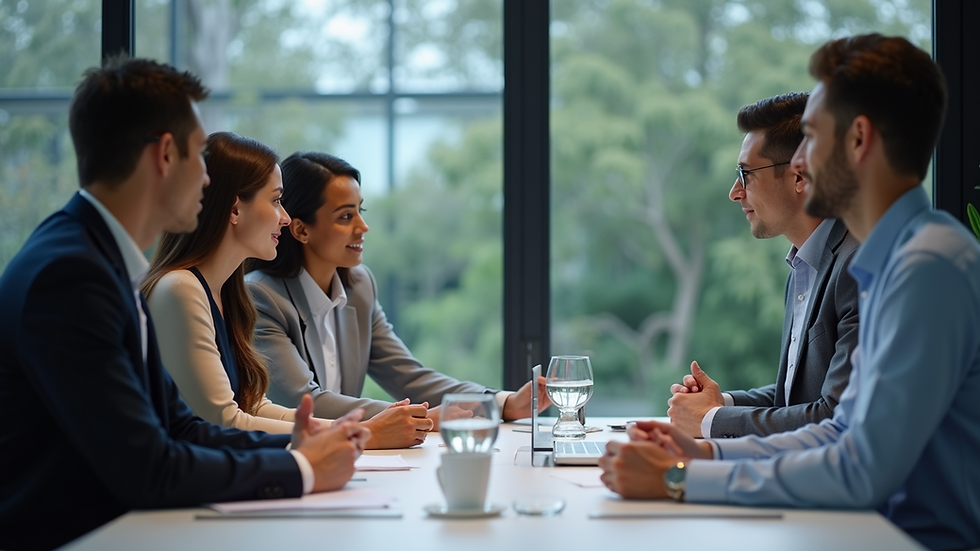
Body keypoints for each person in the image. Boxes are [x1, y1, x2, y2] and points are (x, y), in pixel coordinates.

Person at [599, 34, 980, 551]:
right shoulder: (894, 260)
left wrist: (677, 479)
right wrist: (701, 454)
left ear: (858, 140)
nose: (799, 161)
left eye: (812, 136)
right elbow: (838, 432)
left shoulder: (927, 267)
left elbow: (860, 469)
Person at [0, 58, 369, 551]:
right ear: (165, 155)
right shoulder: (71, 276)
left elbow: (181, 426)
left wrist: (304, 447)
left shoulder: (98, 260)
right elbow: (148, 467)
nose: (206, 179)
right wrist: (301, 468)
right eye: (199, 155)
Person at [143, 132, 430, 449]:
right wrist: (364, 434)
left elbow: (254, 405)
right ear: (235, 209)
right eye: (276, 200)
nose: (285, 218)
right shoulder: (181, 289)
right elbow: (224, 421)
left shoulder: (227, 293)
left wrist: (357, 429)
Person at [245, 152, 548, 426]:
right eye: (346, 216)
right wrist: (410, 417)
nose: (363, 226)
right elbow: (304, 403)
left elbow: (409, 377)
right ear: (300, 229)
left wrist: (502, 403)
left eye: (360, 210)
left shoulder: (360, 286)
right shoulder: (261, 297)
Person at [667, 92, 860, 438]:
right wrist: (719, 403)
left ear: (801, 176)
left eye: (745, 174)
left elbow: (836, 416)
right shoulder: (804, 268)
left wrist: (709, 420)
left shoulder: (857, 266)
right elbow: (794, 399)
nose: (734, 192)